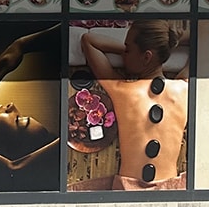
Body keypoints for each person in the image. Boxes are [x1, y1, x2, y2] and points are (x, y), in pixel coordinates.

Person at [74, 20, 189, 189]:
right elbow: (202, 41)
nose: (123, 55)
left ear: (147, 56)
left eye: (128, 50)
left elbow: (89, 41)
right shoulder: (183, 88)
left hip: (130, 190)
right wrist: (168, 45)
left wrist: (136, 52)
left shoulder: (122, 91)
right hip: (170, 190)